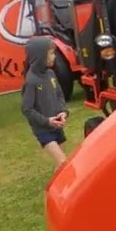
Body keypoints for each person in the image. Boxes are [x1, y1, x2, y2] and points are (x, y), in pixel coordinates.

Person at [21, 36, 69, 168]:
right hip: (44, 131)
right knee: (63, 163)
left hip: (56, 127)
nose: (54, 57)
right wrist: (47, 121)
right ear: (40, 56)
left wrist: (63, 112)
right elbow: (27, 109)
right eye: (52, 53)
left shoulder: (51, 75)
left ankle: (60, 188)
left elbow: (59, 95)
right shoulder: (31, 81)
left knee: (62, 166)